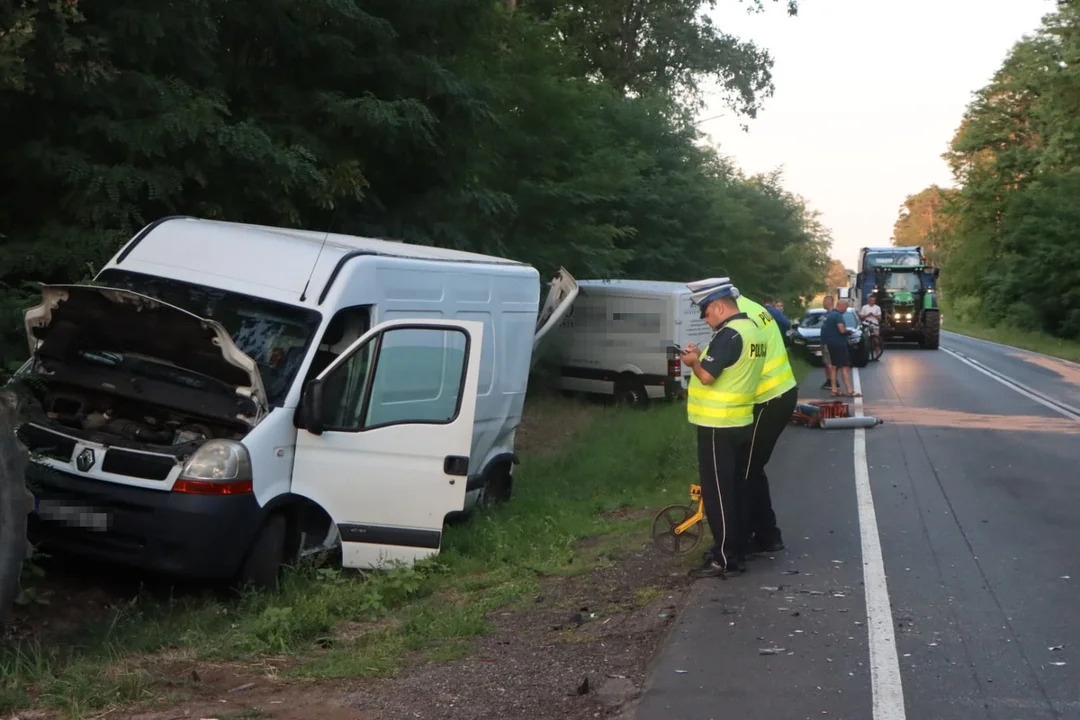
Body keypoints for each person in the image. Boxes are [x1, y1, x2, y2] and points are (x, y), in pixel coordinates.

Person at [679, 281, 766, 579]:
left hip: (718, 425)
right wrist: (704, 355)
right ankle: (738, 547)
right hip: (741, 422)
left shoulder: (728, 334)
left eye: (705, 312)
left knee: (718, 494)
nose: (705, 318)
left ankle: (726, 557)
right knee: (737, 490)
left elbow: (708, 377)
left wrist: (693, 361)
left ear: (719, 307)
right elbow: (732, 369)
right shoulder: (753, 330)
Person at [821, 298, 859, 397]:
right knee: (845, 367)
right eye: (845, 307)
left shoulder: (830, 315)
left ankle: (834, 390)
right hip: (839, 344)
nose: (846, 310)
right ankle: (850, 391)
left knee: (834, 367)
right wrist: (849, 332)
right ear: (840, 305)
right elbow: (841, 330)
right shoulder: (838, 316)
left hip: (831, 344)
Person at [819, 294, 835, 390]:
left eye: (824, 301)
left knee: (829, 363)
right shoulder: (826, 314)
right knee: (826, 362)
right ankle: (828, 380)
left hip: (829, 342)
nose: (823, 303)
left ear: (829, 302)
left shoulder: (833, 314)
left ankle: (834, 382)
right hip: (824, 341)